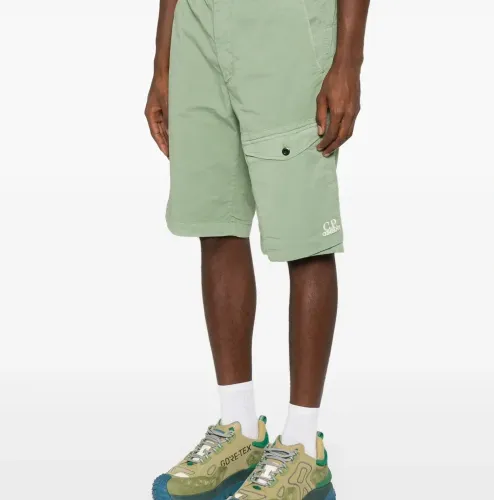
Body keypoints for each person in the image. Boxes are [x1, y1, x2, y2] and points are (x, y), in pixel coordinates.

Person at [145, 0, 369, 499]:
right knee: (216, 221)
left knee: (304, 236)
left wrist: (348, 62)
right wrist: (162, 63)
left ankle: (303, 446)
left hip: (286, 26)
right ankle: (239, 428)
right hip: (196, 26)